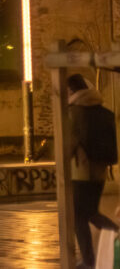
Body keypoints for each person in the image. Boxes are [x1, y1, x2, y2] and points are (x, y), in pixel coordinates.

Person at [67, 73, 119, 268]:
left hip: (80, 171)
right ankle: (95, 252)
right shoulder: (104, 112)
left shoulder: (73, 112)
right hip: (100, 171)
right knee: (89, 212)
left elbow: (69, 144)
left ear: (71, 91)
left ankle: (89, 260)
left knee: (78, 214)